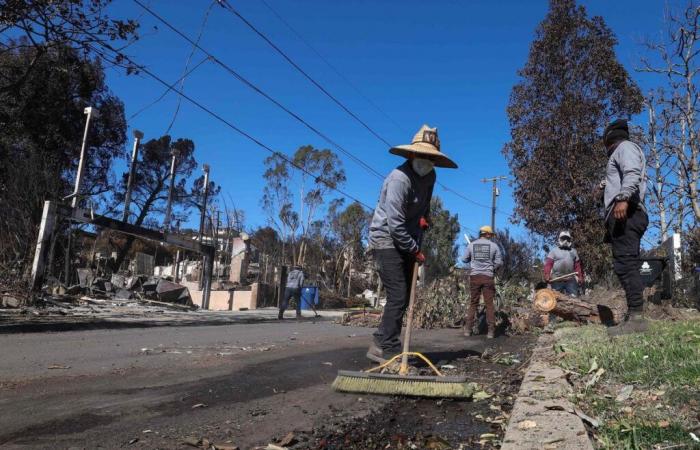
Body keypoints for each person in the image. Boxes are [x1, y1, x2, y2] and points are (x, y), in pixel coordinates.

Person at [366, 124, 458, 363]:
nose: (425, 161)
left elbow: (425, 204)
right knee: (397, 294)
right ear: (411, 154)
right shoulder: (399, 179)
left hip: (407, 237)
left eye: (431, 158)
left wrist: (424, 217)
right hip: (386, 238)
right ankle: (388, 349)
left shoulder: (430, 176)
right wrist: (415, 249)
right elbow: (395, 224)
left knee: (404, 296)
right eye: (422, 155)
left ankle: (379, 341)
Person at [601, 119, 649, 335]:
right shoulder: (620, 152)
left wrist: (622, 198)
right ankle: (634, 314)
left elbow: (632, 173)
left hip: (627, 212)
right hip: (625, 212)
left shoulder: (624, 147)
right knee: (624, 263)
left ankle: (637, 319)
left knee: (627, 264)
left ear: (610, 137)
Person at [462, 226, 503, 339]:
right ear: (488, 234)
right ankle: (491, 332)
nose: (492, 236)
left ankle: (468, 330)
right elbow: (499, 262)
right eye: (491, 235)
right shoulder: (494, 246)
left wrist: (473, 258)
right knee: (489, 304)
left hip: (475, 277)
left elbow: (464, 259)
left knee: (473, 303)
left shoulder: (471, 245)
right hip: (488, 277)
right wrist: (492, 268)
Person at [544, 231, 584, 296]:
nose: (565, 241)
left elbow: (577, 266)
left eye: (567, 239)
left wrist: (580, 276)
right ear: (559, 239)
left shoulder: (573, 251)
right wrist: (547, 274)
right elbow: (548, 264)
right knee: (555, 298)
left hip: (570, 279)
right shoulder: (554, 251)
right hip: (557, 279)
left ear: (570, 240)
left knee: (573, 297)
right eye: (563, 238)